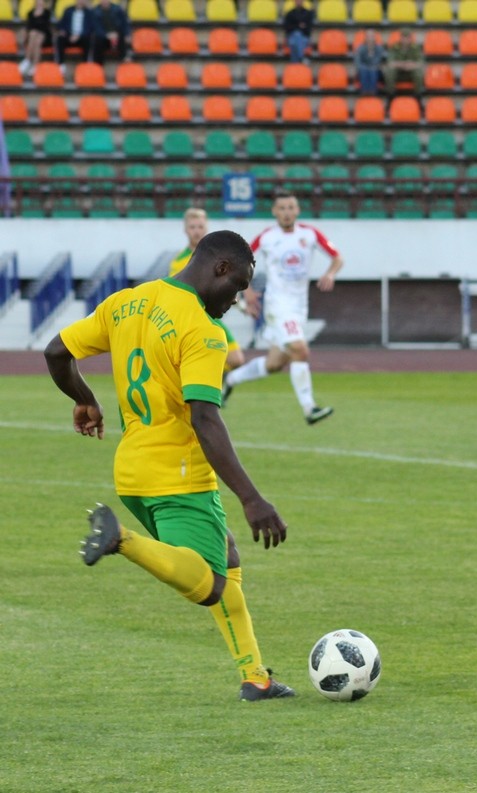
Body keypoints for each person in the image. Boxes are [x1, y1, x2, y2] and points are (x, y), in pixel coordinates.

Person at [43, 230, 296, 701]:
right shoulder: (202, 329)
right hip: (177, 470)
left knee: (227, 558)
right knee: (210, 584)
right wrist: (252, 498)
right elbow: (204, 416)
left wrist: (85, 400)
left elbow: (57, 351)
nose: (236, 299)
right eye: (238, 285)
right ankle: (122, 540)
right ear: (220, 267)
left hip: (132, 471)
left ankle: (255, 677)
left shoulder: (129, 301)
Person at [222, 192, 341, 425]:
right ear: (274, 212)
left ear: (297, 210)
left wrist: (330, 273)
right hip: (278, 305)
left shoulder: (310, 234)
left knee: (275, 363)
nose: (287, 212)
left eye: (290, 207)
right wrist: (246, 290)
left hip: (299, 307)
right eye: (282, 208)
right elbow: (242, 258)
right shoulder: (267, 237)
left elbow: (337, 258)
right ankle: (310, 408)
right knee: (300, 349)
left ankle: (232, 379)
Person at [169, 208, 249, 374]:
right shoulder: (179, 262)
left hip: (212, 318)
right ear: (186, 230)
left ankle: (216, 382)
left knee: (236, 360)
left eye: (200, 226)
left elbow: (227, 285)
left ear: (206, 228)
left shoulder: (219, 257)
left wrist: (241, 306)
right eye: (192, 227)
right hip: (192, 321)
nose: (196, 231)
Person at [54, 0, 98, 69]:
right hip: (69, 35)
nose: (80, 2)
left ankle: (85, 64)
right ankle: (60, 64)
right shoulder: (68, 10)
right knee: (60, 38)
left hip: (82, 37)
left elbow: (91, 27)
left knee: (88, 39)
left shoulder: (89, 13)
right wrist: (62, 30)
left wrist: (79, 35)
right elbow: (60, 24)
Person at [384, 29, 423, 102]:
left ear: (410, 38)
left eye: (407, 37)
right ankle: (391, 96)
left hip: (410, 73)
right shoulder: (395, 47)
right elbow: (390, 62)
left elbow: (420, 62)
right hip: (398, 73)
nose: (405, 40)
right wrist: (402, 64)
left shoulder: (415, 48)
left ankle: (418, 96)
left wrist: (412, 65)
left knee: (418, 72)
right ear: (400, 38)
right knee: (389, 71)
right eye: (403, 37)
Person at [18, 0, 54, 76]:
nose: (40, 3)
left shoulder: (47, 13)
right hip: (33, 37)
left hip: (44, 36)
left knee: (36, 35)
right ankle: (34, 65)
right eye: (38, 2)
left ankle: (27, 60)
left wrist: (35, 30)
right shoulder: (30, 13)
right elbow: (29, 26)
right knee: (34, 38)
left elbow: (44, 26)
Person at [91, 0, 130, 65]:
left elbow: (124, 23)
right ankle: (98, 64)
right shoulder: (95, 11)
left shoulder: (118, 9)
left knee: (123, 36)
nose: (105, 1)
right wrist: (107, 35)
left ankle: (125, 59)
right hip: (104, 37)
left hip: (117, 35)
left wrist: (127, 34)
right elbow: (96, 27)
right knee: (98, 39)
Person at [353, 28, 385, 95]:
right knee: (364, 69)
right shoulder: (360, 48)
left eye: (372, 36)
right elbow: (357, 62)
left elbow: (379, 61)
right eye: (368, 36)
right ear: (365, 38)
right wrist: (365, 66)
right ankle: (365, 91)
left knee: (373, 69)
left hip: (376, 71)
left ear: (375, 37)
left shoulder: (379, 48)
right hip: (364, 71)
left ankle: (373, 91)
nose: (370, 38)